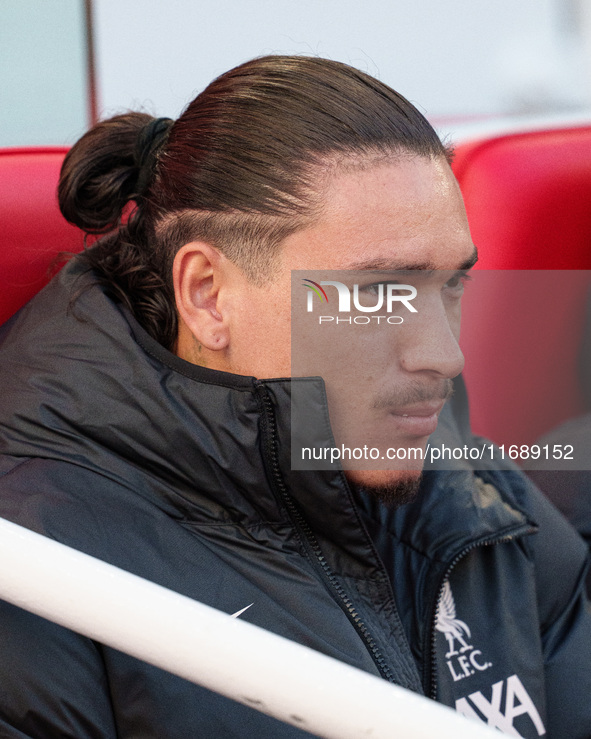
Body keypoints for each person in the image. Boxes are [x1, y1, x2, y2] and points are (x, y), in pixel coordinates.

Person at [0, 55, 589, 739]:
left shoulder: (479, 496)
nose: (442, 354)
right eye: (375, 293)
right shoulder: (35, 568)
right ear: (207, 295)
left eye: (450, 284)